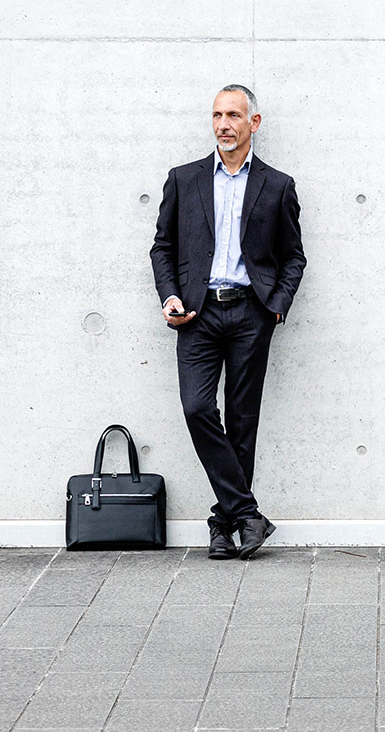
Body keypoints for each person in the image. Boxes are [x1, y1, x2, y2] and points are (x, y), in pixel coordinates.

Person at [150, 85, 305, 559]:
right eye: (217, 114)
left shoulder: (277, 186)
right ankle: (247, 515)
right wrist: (170, 294)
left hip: (249, 312)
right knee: (198, 409)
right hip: (196, 314)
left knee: (242, 421)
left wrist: (274, 305)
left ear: (253, 123)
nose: (223, 124)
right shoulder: (184, 178)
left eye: (234, 115)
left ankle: (223, 526)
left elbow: (293, 256)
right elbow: (163, 247)